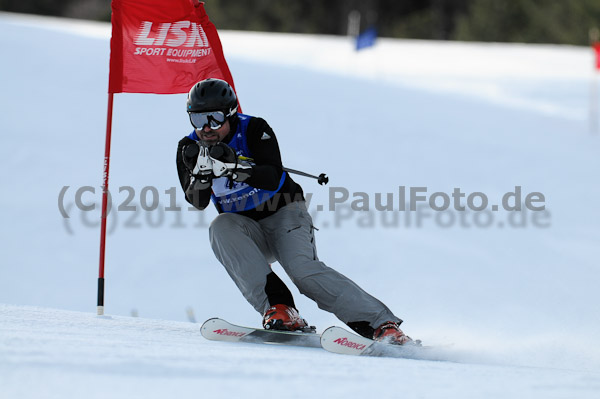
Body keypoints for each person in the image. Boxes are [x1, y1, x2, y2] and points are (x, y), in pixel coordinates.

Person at [176, 78, 412, 345]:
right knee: (220, 226)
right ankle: (280, 309)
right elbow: (197, 201)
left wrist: (235, 169)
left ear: (230, 113)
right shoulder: (188, 148)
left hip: (284, 213)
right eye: (197, 119)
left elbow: (273, 176)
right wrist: (201, 177)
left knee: (302, 271)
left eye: (214, 118)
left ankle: (382, 324)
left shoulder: (254, 128)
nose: (206, 127)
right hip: (246, 228)